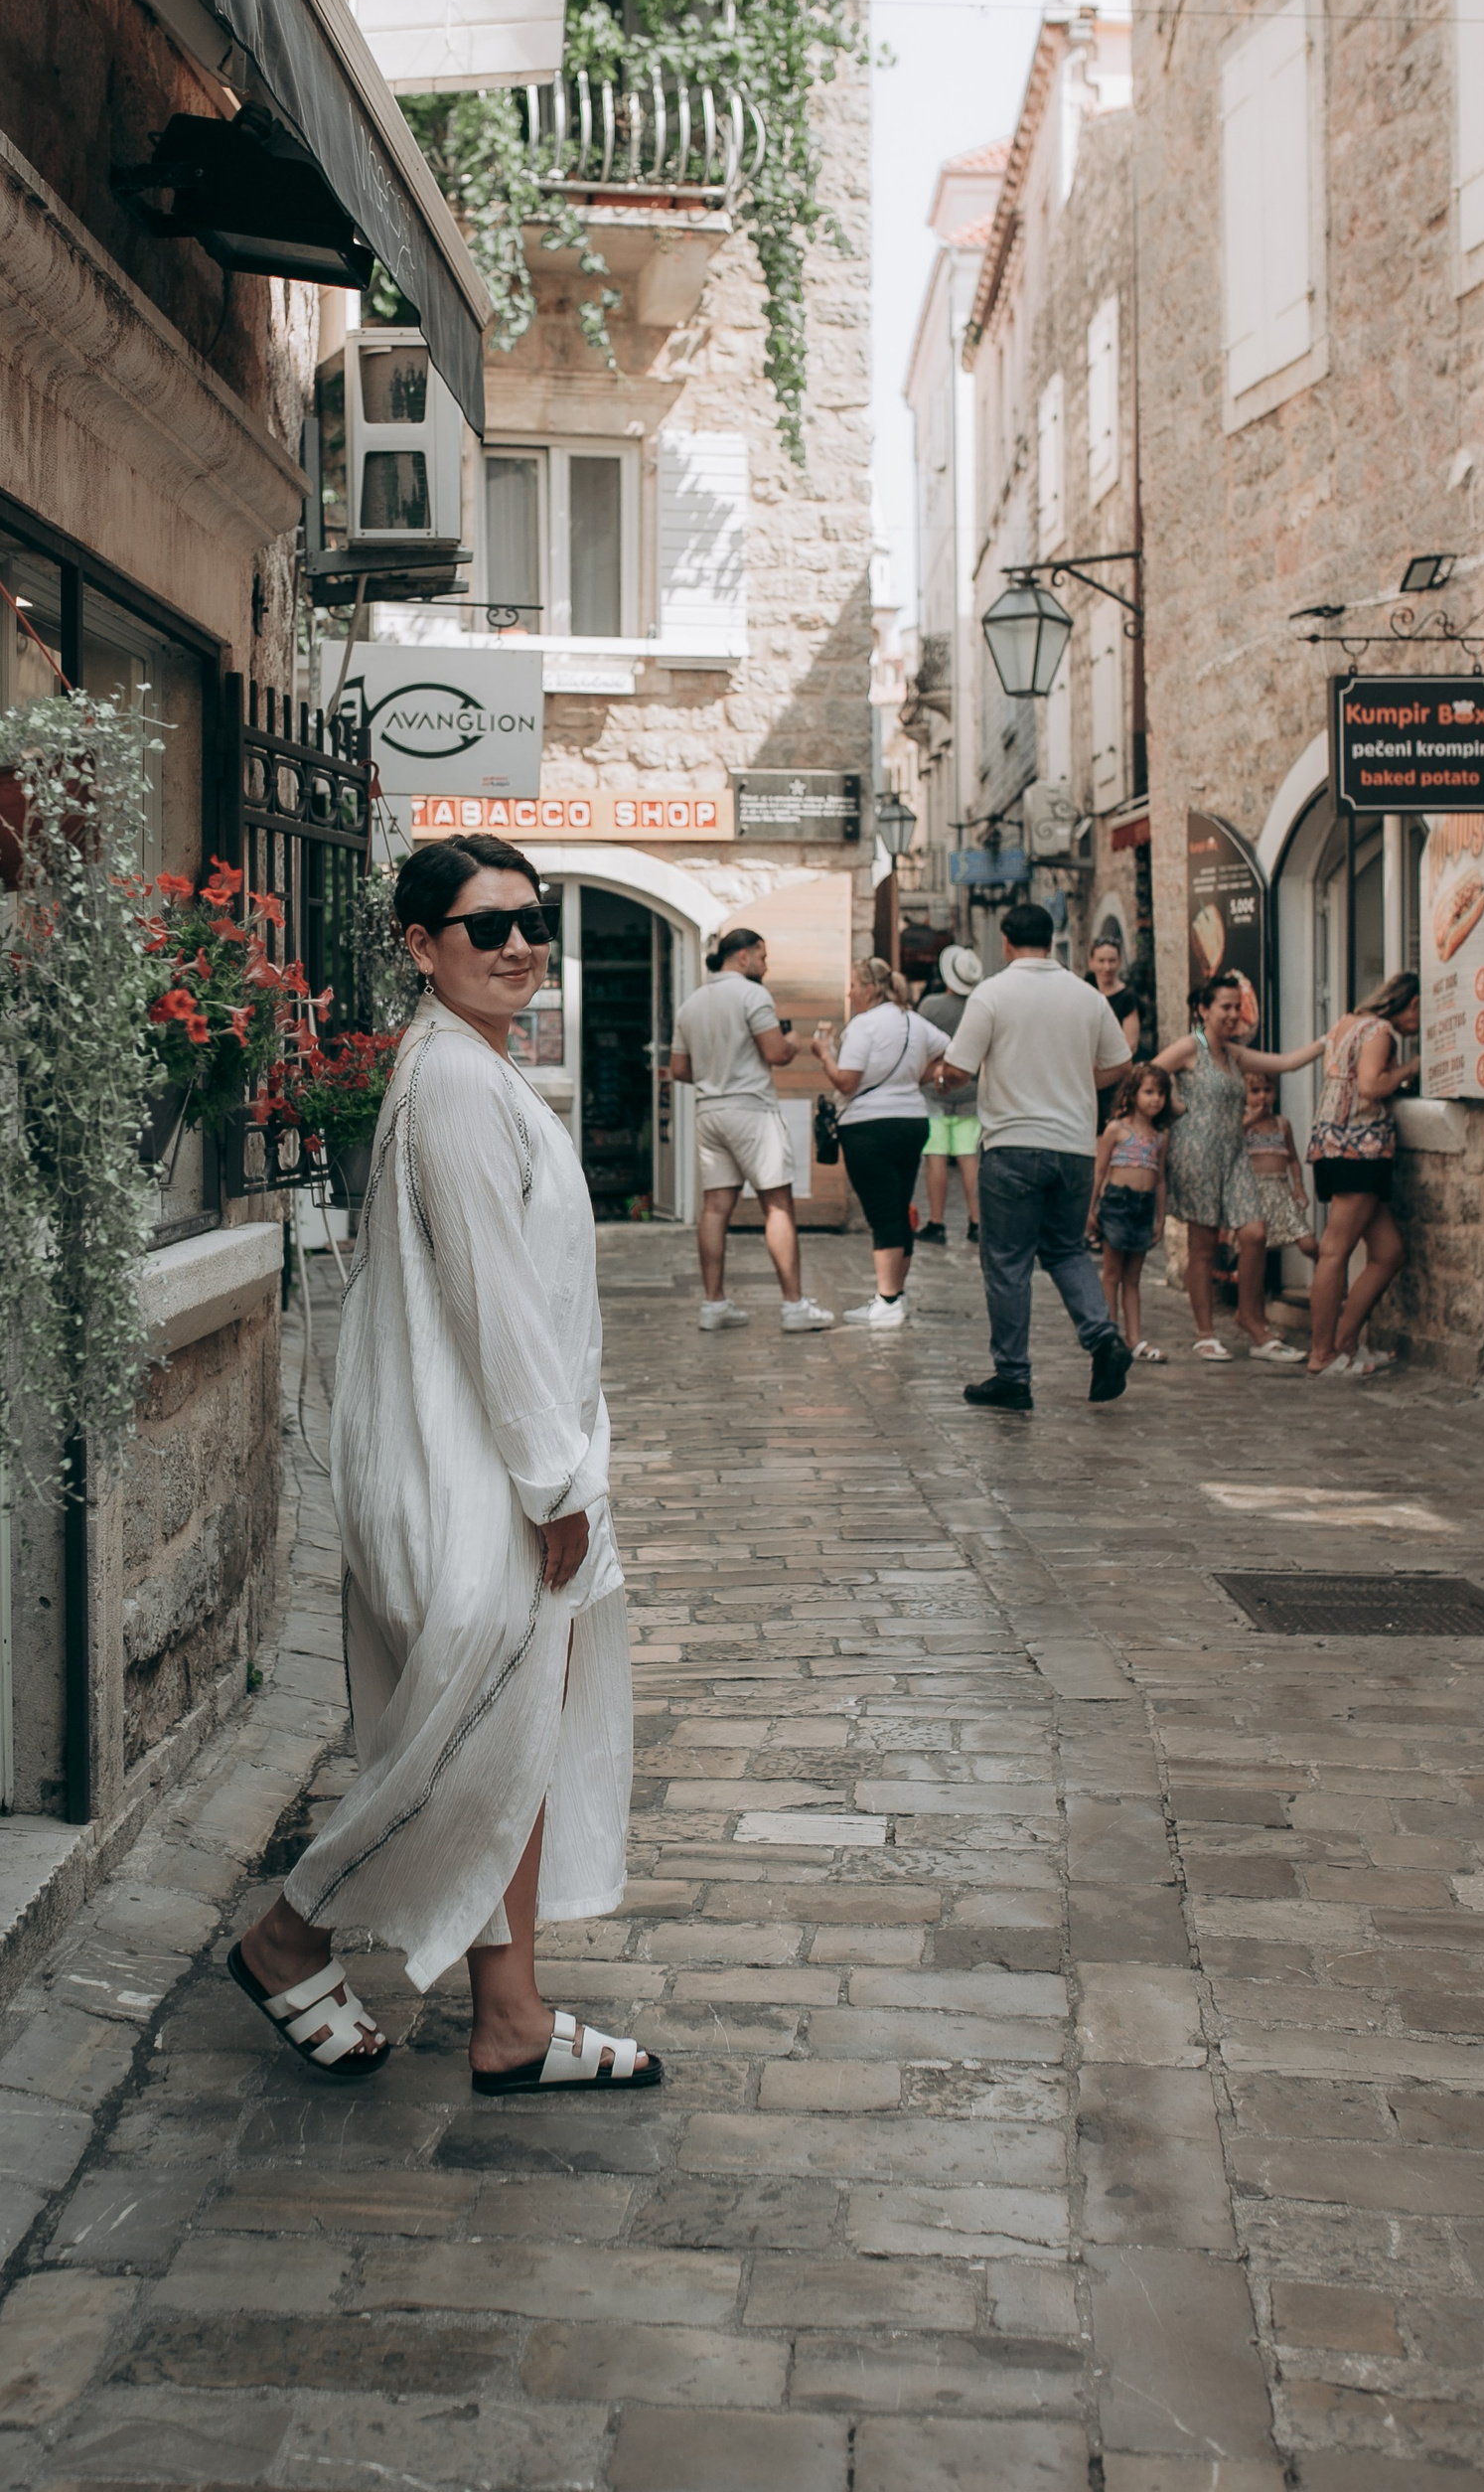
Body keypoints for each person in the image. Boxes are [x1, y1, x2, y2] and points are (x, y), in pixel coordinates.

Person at [231, 835, 658, 2096]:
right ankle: (290, 1934)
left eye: (533, 922)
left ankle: (509, 2017)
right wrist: (557, 1486)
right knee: (468, 1747)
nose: (520, 945)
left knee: (502, 1743)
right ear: (421, 947)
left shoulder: (463, 1065)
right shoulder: (460, 1081)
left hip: (479, 1458)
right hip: (483, 1472)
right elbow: (493, 1301)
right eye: (487, 927)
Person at [932, 900, 1134, 1412]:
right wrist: (1077, 1082)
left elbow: (959, 1068)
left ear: (1005, 942)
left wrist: (942, 1078)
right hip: (1074, 1147)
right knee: (1066, 1250)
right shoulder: (1087, 996)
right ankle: (1103, 1337)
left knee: (1007, 1261)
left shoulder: (992, 993)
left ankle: (1013, 1376)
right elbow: (1121, 1064)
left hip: (1012, 1145)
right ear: (1051, 941)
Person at [668, 927, 832, 1334]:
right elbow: (775, 1053)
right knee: (777, 1205)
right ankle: (794, 1306)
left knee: (714, 1208)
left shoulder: (691, 1003)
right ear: (743, 956)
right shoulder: (753, 995)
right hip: (751, 1111)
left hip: (710, 1113)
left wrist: (715, 1071)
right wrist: (792, 1041)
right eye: (762, 956)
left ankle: (714, 1304)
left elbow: (679, 1070)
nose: (766, 965)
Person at [1152, 979, 1325, 1363]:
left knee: (1254, 1233)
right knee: (1203, 1245)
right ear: (1204, 1010)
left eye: (1237, 1007)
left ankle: (1250, 1318)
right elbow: (1147, 1078)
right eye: (1225, 1007)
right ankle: (1205, 1334)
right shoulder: (1190, 1047)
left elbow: (1286, 1063)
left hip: (1234, 1155)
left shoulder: (1233, 1054)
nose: (1233, 1014)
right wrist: (1174, 1110)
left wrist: (1328, 1041)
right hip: (1196, 1155)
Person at [812, 958, 952, 1329]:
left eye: (854, 985)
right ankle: (896, 1296)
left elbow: (846, 1082)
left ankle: (887, 1301)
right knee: (899, 1207)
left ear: (870, 989)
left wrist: (824, 1054)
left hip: (868, 1127)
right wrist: (920, 1076)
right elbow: (951, 1051)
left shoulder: (863, 1026)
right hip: (912, 1121)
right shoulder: (913, 1021)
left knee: (882, 1214)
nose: (849, 993)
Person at [1305, 970, 1421, 1379]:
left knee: (1389, 1252)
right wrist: (1410, 1067)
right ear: (1413, 1003)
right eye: (1421, 1016)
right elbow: (1371, 1086)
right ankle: (1322, 1353)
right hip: (1358, 1148)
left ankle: (1346, 1343)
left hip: (1335, 1144)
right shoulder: (1380, 1031)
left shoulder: (1347, 1022)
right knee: (1335, 1250)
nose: (1418, 1027)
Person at [1087, 1062, 1172, 1361]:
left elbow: (1160, 1179)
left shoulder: (1160, 1136)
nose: (1155, 1099)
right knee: (1112, 1273)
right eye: (1149, 1092)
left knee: (1133, 1277)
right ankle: (1109, 1334)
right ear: (1133, 1094)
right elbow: (1099, 1171)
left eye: (1161, 1093)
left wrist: (1160, 1219)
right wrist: (1090, 1207)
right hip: (1117, 1204)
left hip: (1143, 1208)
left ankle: (1135, 1338)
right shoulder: (1116, 1129)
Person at [914, 943, 982, 1243]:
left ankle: (937, 1222)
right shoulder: (980, 1007)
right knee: (969, 1158)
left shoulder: (930, 1006)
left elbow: (920, 1046)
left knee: (936, 1158)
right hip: (970, 1091)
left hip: (935, 1091)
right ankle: (977, 1222)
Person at [1243, 1073, 1320, 1268]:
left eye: (1267, 1090)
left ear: (1275, 1093)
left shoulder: (1281, 1124)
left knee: (1308, 1243)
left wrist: (1298, 1185)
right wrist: (1251, 1120)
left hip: (1281, 1191)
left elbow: (1292, 1159)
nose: (1262, 1096)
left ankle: (1326, 1271)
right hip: (1254, 1192)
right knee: (1256, 1246)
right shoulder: (1242, 1123)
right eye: (1255, 1091)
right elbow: (1230, 1142)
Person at [1087, 935, 1143, 1055]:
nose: (1107, 967)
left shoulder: (1128, 997)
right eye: (1101, 961)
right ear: (1091, 962)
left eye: (1112, 961)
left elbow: (1131, 1045)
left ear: (1119, 961)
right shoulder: (1087, 994)